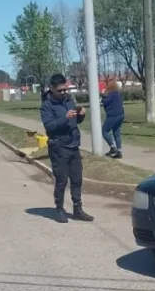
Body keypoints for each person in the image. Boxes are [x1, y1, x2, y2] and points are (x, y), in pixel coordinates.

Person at [40, 74, 94, 223]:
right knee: (62, 180)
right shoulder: (47, 105)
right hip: (59, 146)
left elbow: (75, 120)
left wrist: (80, 115)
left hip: (73, 145)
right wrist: (65, 117)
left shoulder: (69, 100)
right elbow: (49, 126)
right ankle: (59, 209)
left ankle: (78, 209)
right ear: (52, 89)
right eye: (60, 90)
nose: (64, 93)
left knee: (77, 179)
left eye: (65, 89)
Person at [100, 80, 125, 158]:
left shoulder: (111, 94)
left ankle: (112, 147)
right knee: (116, 133)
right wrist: (104, 96)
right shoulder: (117, 94)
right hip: (121, 115)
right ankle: (119, 152)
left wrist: (102, 96)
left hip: (113, 116)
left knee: (104, 131)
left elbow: (106, 101)